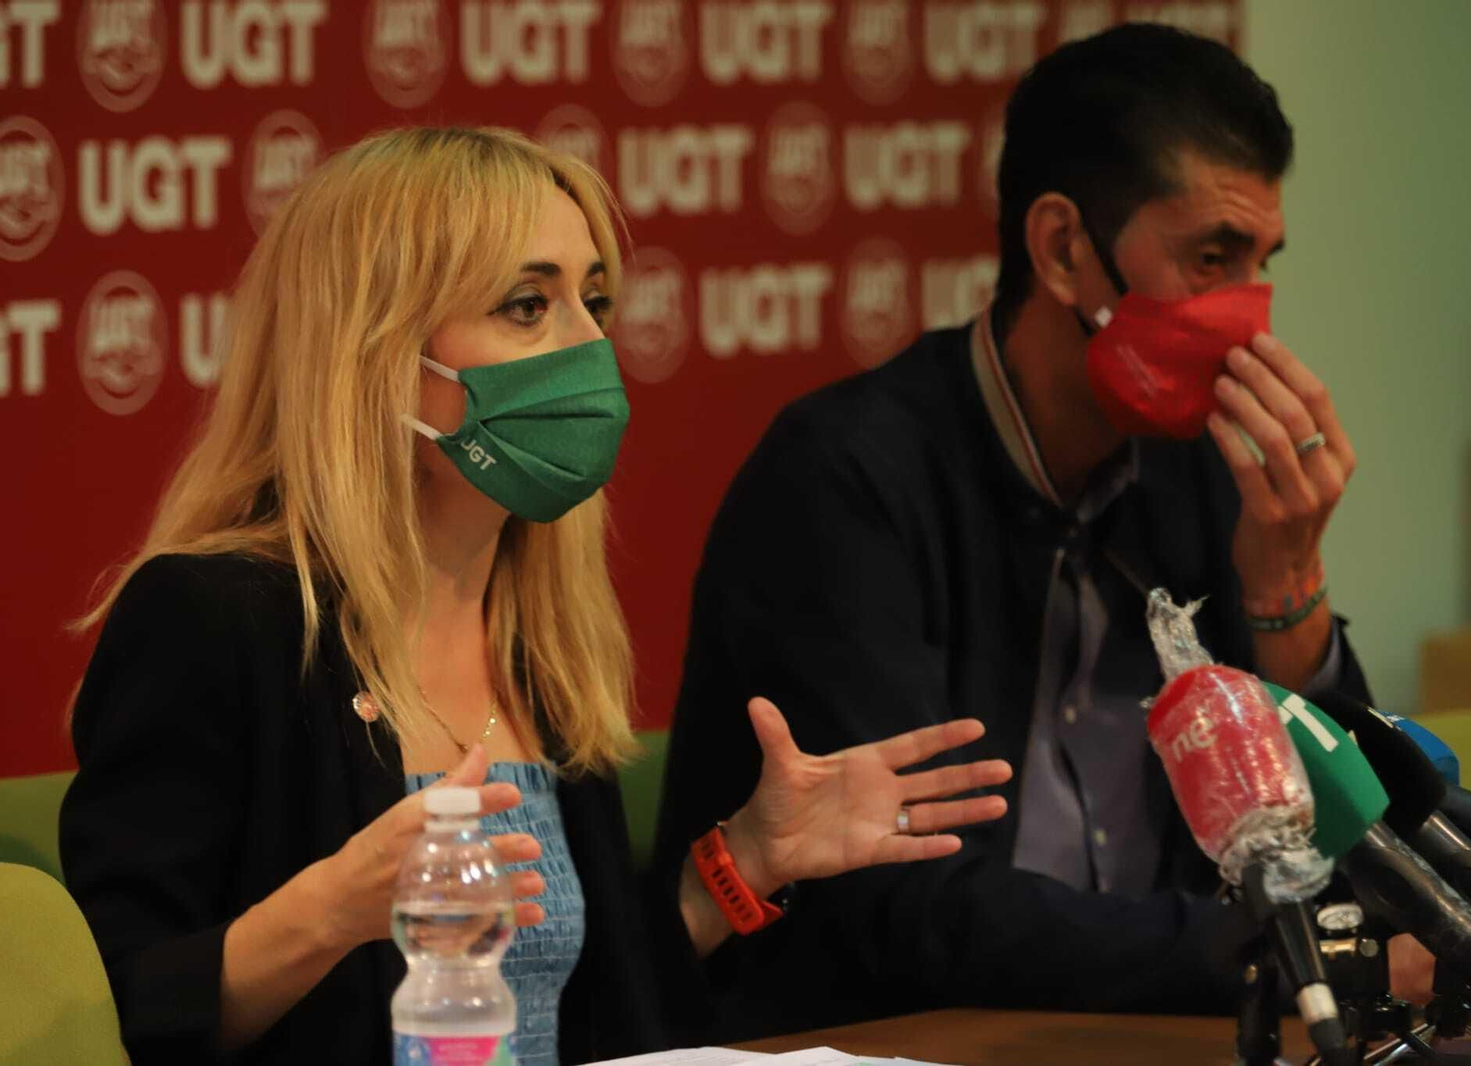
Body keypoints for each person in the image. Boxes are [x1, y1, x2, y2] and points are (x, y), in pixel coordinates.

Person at [654, 23, 1471, 1042]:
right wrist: (1301, 956)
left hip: (1159, 1025)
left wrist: (1287, 579)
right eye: (1210, 257)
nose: (1248, 314)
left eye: (1260, 263)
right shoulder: (844, 479)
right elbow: (907, 913)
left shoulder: (1195, 468)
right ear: (1065, 249)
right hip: (891, 1035)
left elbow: (1336, 838)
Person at [58, 126, 1013, 1066]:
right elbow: (123, 1011)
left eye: (594, 300)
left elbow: (588, 1013)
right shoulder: (216, 621)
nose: (592, 345)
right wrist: (330, 910)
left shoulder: (538, 639)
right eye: (527, 305)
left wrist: (742, 864)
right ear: (375, 350)